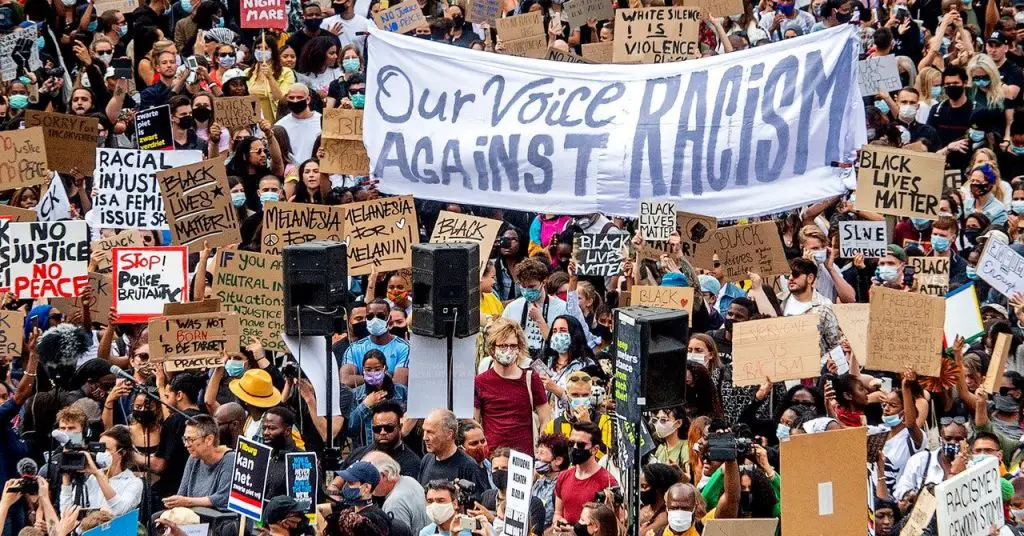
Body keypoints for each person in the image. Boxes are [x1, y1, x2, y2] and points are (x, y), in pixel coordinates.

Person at [475, 318, 552, 456]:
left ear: (519, 348)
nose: (508, 351)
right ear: (492, 349)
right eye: (503, 346)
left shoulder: (531, 378)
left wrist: (541, 451)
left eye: (513, 346)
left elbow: (545, 418)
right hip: (493, 457)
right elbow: (475, 421)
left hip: (524, 457)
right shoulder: (480, 382)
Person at [58, 425, 142, 515]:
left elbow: (119, 510)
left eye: (106, 449)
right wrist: (66, 482)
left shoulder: (133, 482)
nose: (101, 453)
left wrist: (98, 475)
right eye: (100, 448)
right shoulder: (91, 479)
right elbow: (66, 514)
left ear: (122, 453)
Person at [553, 422, 618, 526]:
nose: (574, 448)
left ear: (595, 449)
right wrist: (558, 523)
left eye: (580, 445)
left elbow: (612, 526)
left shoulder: (608, 482)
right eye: (571, 443)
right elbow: (558, 513)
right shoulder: (563, 476)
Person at [165, 415, 235, 510]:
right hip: (192, 513)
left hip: (215, 515)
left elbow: (222, 498)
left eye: (190, 440)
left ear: (209, 439)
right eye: (185, 439)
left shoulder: (230, 459)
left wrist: (188, 502)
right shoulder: (193, 458)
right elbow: (182, 494)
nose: (186, 444)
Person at [341, 400, 421, 478]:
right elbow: (339, 479)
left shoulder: (411, 463)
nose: (382, 432)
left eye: (388, 428)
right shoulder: (357, 454)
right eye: (377, 429)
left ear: (399, 427)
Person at [342, 299, 411, 387]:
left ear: (389, 319)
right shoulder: (354, 348)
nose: (375, 320)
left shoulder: (403, 347)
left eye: (380, 316)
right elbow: (346, 380)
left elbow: (399, 383)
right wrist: (379, 378)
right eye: (370, 316)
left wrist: (365, 379)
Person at [348, 350, 408, 449]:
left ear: (385, 368)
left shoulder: (401, 391)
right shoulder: (355, 395)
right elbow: (350, 429)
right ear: (363, 370)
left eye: (377, 369)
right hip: (366, 451)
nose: (373, 373)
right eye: (368, 369)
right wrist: (365, 405)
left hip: (396, 450)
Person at [418, 409, 490, 491]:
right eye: (424, 431)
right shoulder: (426, 460)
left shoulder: (468, 467)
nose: (425, 438)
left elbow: (479, 498)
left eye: (430, 432)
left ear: (449, 434)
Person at [363, 451, 430, 534]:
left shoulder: (393, 503)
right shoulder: (409, 480)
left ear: (384, 476)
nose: (366, 484)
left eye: (369, 478)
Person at [275, 83, 323, 166]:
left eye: (299, 97)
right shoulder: (280, 125)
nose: (295, 101)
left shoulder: (321, 121)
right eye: (291, 98)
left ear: (308, 99)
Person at [421, 479, 490, 536]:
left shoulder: (476, 527)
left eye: (440, 501)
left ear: (455, 504)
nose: (434, 505)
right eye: (430, 501)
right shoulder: (426, 533)